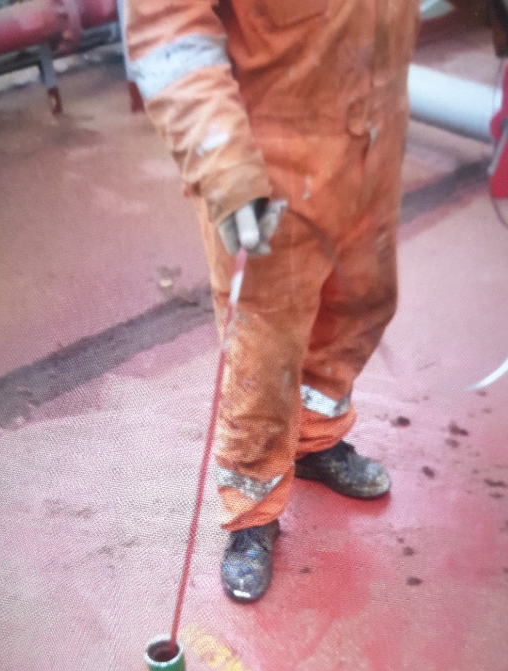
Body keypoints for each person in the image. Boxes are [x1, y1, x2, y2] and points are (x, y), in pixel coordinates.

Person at [125, 1, 420, 601]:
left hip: (373, 138)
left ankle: (317, 439)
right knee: (264, 348)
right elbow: (167, 25)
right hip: (270, 163)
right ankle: (252, 511)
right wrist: (220, 162)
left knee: (361, 302)